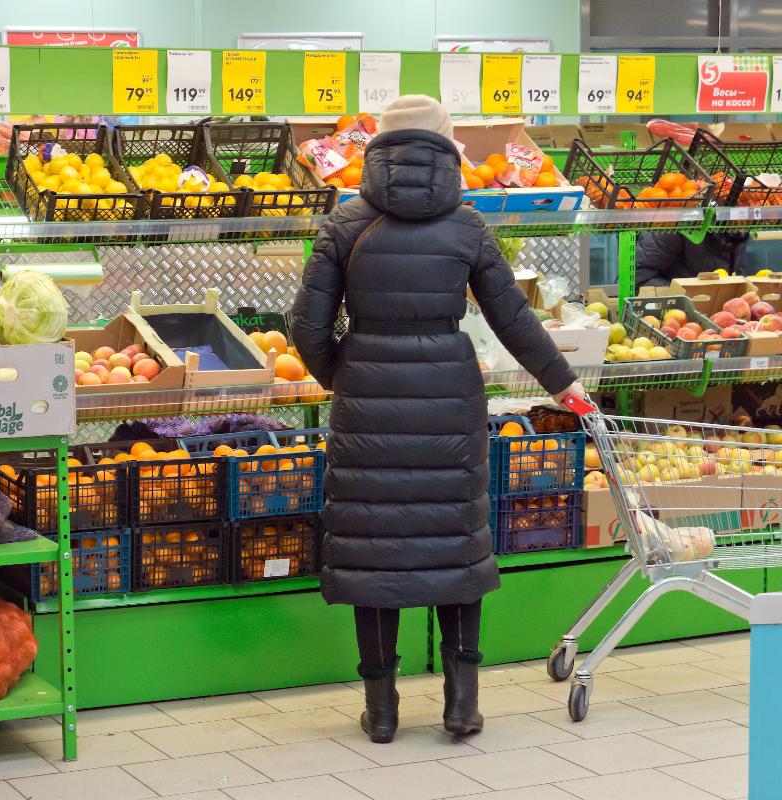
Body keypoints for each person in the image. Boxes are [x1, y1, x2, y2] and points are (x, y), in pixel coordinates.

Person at [289, 95, 584, 744]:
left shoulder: (346, 221)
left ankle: (384, 710)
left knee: (373, 548)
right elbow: (512, 318)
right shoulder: (468, 226)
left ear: (378, 150)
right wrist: (564, 385)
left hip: (367, 389)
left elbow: (304, 326)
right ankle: (461, 704)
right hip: (450, 394)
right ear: (449, 151)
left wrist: (344, 374)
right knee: (455, 541)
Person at [635, 230, 750, 289]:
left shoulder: (739, 232)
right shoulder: (676, 225)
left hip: (720, 317)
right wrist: (684, 296)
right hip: (671, 315)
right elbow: (639, 277)